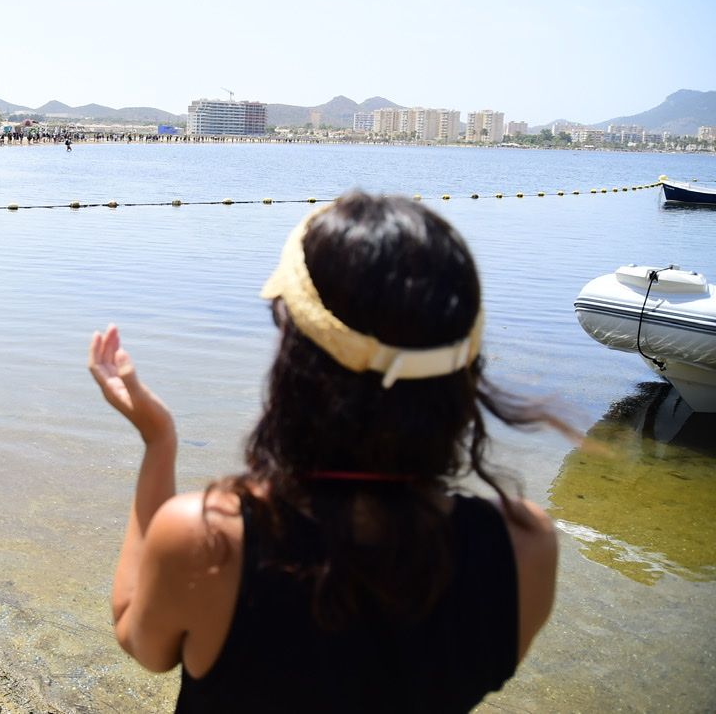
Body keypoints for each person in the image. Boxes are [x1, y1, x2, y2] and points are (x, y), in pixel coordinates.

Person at [88, 192, 562, 712]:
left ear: (299, 361)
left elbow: (142, 640)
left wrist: (159, 442)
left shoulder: (212, 539)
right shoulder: (524, 548)